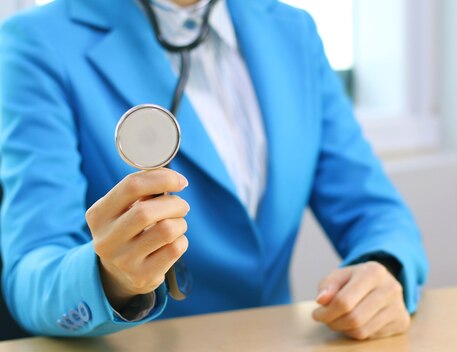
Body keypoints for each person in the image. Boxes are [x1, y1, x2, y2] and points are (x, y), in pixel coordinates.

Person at [0, 0, 428, 340]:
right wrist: (111, 278)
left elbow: (375, 211)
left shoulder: (293, 30)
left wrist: (385, 269)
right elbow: (29, 277)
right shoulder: (35, 44)